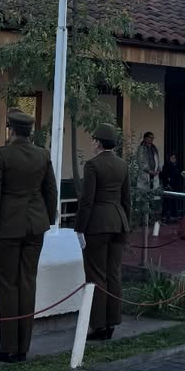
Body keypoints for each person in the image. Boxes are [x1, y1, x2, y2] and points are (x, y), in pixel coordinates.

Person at [0, 109, 58, 364]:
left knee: (7, 284)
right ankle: (23, 347)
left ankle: (8, 347)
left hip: (8, 226)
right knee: (28, 282)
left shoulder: (1, 155)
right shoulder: (42, 155)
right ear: (30, 131)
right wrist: (48, 219)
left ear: (12, 130)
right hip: (36, 225)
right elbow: (51, 190)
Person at [76, 123, 130, 341]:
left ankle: (98, 324)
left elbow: (87, 200)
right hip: (119, 221)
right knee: (113, 273)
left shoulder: (93, 165)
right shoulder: (122, 164)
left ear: (98, 142)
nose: (92, 143)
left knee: (96, 275)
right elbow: (127, 199)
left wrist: (79, 228)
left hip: (98, 224)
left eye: (93, 140)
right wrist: (126, 224)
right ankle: (112, 321)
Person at [159, 152, 184, 223]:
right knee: (166, 201)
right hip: (167, 186)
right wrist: (167, 182)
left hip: (175, 186)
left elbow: (178, 175)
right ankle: (164, 216)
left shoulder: (177, 166)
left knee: (174, 201)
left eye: (174, 158)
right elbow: (162, 175)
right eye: (172, 158)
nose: (173, 159)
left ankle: (174, 215)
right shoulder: (166, 166)